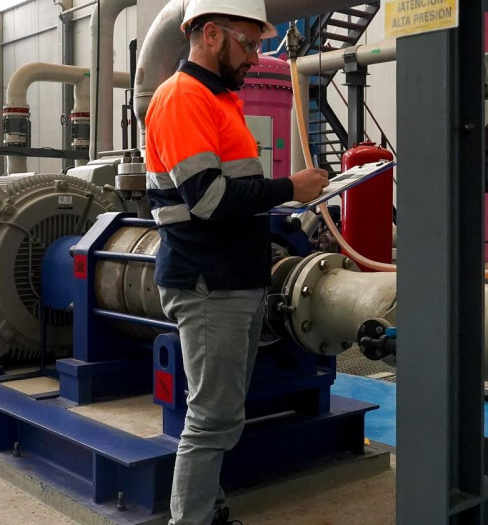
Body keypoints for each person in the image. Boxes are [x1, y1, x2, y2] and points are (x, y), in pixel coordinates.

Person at [143, 0, 329, 523]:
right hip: (207, 283)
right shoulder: (182, 98)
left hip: (233, 280)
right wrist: (290, 187)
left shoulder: (221, 99)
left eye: (259, 45)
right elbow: (206, 198)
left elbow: (234, 191)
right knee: (208, 418)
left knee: (223, 415)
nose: (255, 56)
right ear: (209, 35)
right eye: (248, 44)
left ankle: (208, 507)